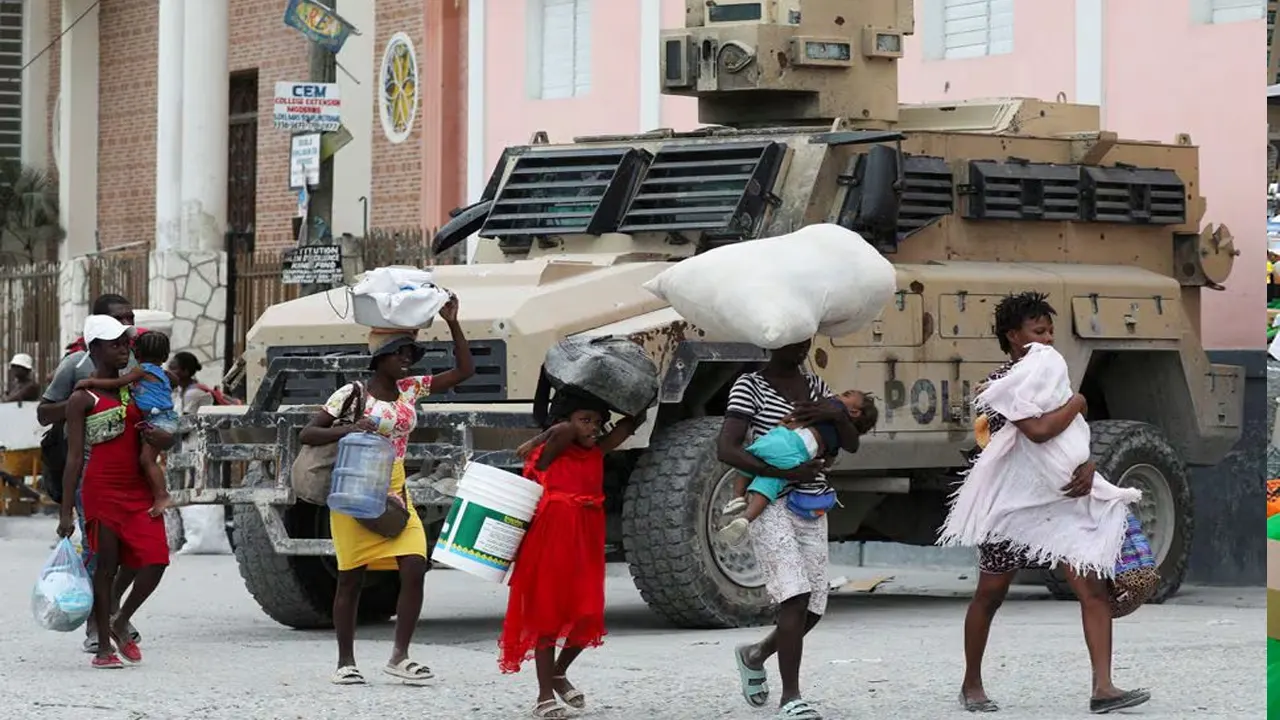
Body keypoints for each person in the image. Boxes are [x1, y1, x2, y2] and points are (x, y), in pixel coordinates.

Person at [948, 292, 1149, 714]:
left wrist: (1089, 465)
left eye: (1050, 330)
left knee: (1092, 591)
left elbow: (1070, 438)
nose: (1048, 337)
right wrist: (1078, 400)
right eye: (1038, 330)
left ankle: (1104, 688)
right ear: (1013, 335)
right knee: (990, 594)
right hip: (1011, 510)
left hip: (1060, 505)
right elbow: (1039, 432)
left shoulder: (1051, 376)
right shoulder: (1001, 385)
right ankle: (971, 684)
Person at [298, 295, 474, 686]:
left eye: (411, 353)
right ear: (380, 358)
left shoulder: (411, 390)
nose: (407, 360)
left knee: (414, 565)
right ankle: (346, 662)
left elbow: (464, 370)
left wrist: (453, 322)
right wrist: (350, 428)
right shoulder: (351, 393)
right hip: (355, 488)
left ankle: (400, 656)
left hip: (395, 488)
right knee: (351, 578)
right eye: (400, 353)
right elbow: (308, 432)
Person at [716, 339, 862, 720]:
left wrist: (837, 412)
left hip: (811, 504)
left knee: (814, 607)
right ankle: (792, 698)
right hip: (771, 500)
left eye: (804, 340)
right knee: (794, 597)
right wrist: (783, 472)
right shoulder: (750, 385)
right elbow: (727, 449)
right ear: (771, 339)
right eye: (790, 340)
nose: (799, 348)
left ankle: (755, 654)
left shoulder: (816, 387)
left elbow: (851, 443)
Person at [499, 392, 646, 719]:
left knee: (588, 612)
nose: (593, 427)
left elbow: (631, 423)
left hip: (585, 539)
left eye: (597, 421)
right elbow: (564, 432)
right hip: (550, 541)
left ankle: (559, 672)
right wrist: (563, 426)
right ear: (564, 422)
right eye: (585, 420)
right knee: (547, 615)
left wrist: (639, 398)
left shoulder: (595, 451)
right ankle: (543, 696)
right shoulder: (549, 452)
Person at [37, 293, 165, 654]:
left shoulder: (139, 361)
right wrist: (88, 402)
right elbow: (45, 413)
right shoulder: (77, 364)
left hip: (136, 469)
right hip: (93, 471)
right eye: (119, 318)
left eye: (130, 318)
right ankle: (98, 627)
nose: (127, 326)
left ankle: (112, 614)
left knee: (139, 552)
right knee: (100, 554)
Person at [717, 389, 877, 545]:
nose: (839, 394)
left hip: (786, 439)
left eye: (846, 395)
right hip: (800, 457)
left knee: (749, 460)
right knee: (768, 484)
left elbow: (796, 416)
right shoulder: (839, 439)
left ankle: (737, 497)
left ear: (855, 412)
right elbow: (828, 462)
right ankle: (746, 518)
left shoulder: (832, 406)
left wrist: (783, 423)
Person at [74, 331, 176, 516]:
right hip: (165, 417)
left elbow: (118, 382)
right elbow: (173, 381)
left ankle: (161, 495)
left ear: (135, 353)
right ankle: (157, 495)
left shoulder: (141, 370)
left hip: (157, 419)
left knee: (147, 460)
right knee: (149, 459)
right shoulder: (162, 372)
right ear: (165, 356)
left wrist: (92, 381)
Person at [168, 352, 214, 417]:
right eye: (169, 368)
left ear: (185, 372)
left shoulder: (193, 393)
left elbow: (184, 420)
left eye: (173, 368)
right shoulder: (180, 389)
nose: (168, 372)